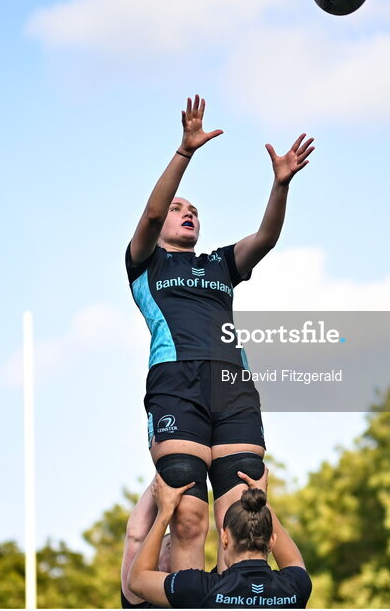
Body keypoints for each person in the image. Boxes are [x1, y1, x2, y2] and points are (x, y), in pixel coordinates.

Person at [125, 94, 314, 571]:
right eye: (178, 208)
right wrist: (185, 151)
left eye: (194, 210)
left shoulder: (219, 265)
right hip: (177, 384)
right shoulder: (146, 261)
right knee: (188, 517)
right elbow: (149, 216)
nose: (187, 212)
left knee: (244, 519)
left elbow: (266, 238)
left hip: (232, 387)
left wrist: (281, 185)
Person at [129, 465, 312, 608]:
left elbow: (137, 580)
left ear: (225, 538)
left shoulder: (199, 589)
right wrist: (262, 502)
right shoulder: (295, 587)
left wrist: (164, 512)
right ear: (271, 541)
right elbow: (294, 561)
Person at [120, 478, 174, 608]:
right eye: (169, 546)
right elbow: (135, 537)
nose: (174, 550)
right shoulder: (140, 594)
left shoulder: (204, 588)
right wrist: (164, 473)